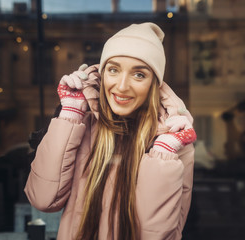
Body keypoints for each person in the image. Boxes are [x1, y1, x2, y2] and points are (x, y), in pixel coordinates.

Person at [24, 22, 196, 240]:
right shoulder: (80, 126)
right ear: (102, 72)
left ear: (154, 83)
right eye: (113, 70)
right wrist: (70, 113)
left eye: (139, 75)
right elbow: (43, 199)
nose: (122, 86)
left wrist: (162, 153)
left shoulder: (173, 142)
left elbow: (157, 236)